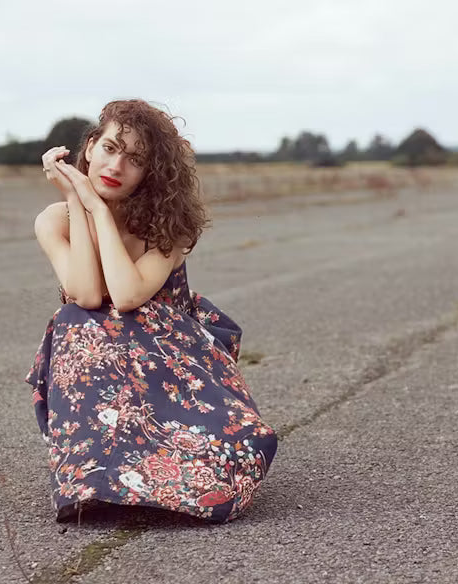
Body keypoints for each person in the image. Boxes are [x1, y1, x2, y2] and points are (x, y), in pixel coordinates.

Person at [24, 100, 278, 523]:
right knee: (74, 321)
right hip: (104, 357)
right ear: (90, 146)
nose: (116, 166)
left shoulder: (169, 224)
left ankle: (153, 477)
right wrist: (77, 201)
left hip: (173, 357)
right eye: (110, 148)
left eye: (135, 159)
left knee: (231, 455)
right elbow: (86, 295)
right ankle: (98, 480)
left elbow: (125, 297)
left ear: (150, 172)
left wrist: (96, 208)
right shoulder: (54, 220)